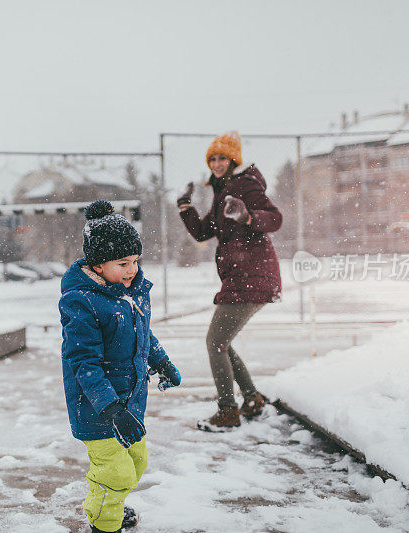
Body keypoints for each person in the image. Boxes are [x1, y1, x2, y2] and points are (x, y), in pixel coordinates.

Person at [59, 200, 181, 533]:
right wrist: (111, 408)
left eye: (135, 261)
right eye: (122, 263)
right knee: (116, 471)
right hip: (97, 407)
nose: (131, 270)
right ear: (97, 266)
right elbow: (83, 361)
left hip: (132, 401)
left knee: (137, 463)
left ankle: (108, 502)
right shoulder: (81, 301)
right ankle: (103, 522)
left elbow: (143, 333)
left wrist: (161, 360)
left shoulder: (134, 292)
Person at [176, 131, 282, 432]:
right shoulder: (223, 192)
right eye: (212, 158)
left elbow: (274, 218)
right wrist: (186, 208)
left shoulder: (244, 185)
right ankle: (251, 399)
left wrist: (248, 216)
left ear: (233, 159)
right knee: (221, 342)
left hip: (252, 275)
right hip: (242, 277)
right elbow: (202, 231)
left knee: (215, 342)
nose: (217, 163)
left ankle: (228, 410)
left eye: (222, 157)